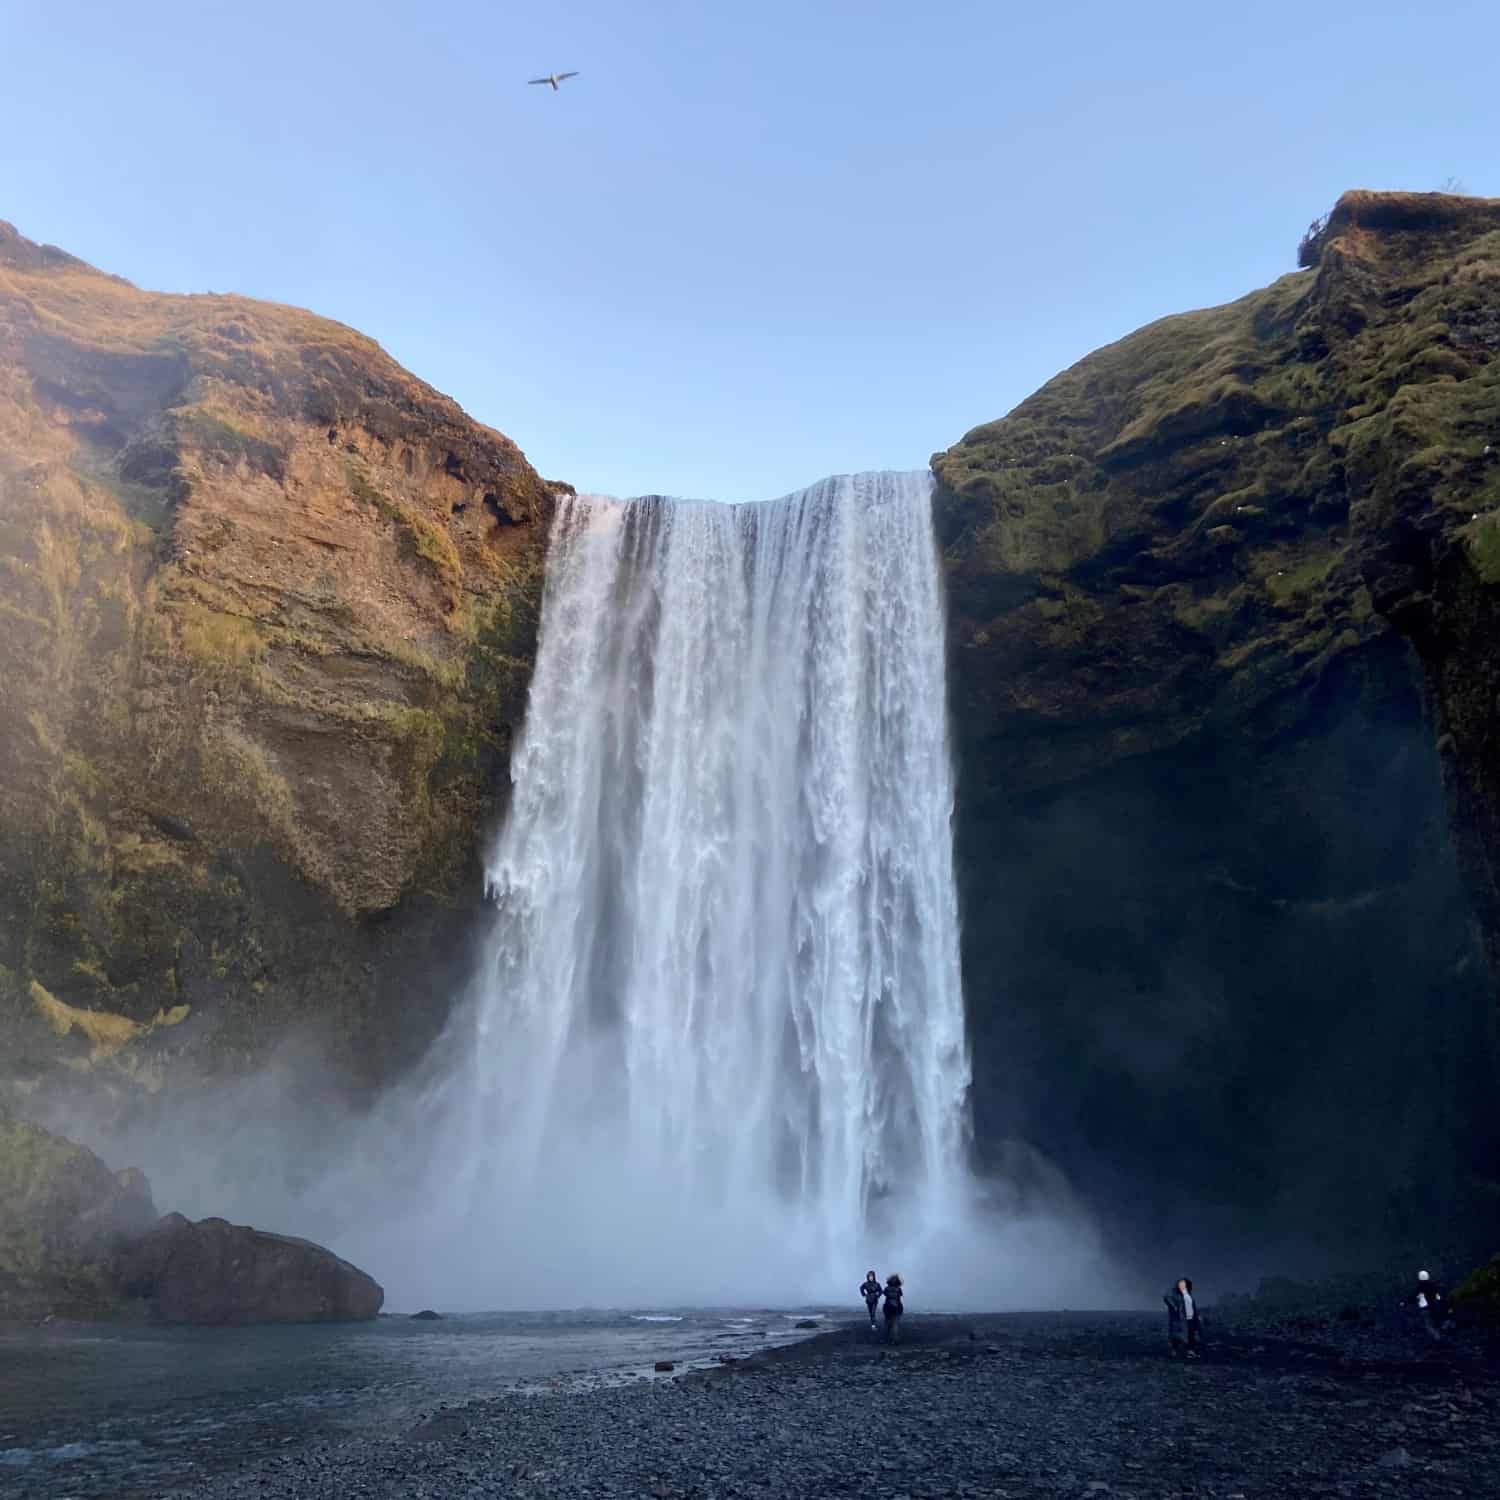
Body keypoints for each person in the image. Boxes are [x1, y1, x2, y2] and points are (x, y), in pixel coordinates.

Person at [1403, 1269, 1446, 1342]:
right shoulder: (1434, 1286)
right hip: (1434, 1307)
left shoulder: (1420, 1288)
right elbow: (1438, 1297)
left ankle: (1438, 1339)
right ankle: (1440, 1335)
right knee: (1436, 1322)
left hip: (1425, 1308)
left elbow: (1413, 1296)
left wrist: (1405, 1303)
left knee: (1428, 1325)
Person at [1164, 1277, 1200, 1358]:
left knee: (1190, 1334)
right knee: (1176, 1335)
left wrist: (1196, 1315)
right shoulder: (1173, 1293)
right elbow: (1166, 1298)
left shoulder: (1186, 1294)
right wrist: (1174, 1307)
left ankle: (1189, 1351)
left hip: (1187, 1318)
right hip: (1178, 1319)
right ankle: (1175, 1351)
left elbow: (1191, 1304)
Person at [882, 1273, 904, 1343]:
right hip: (897, 1308)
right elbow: (900, 1296)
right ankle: (895, 1340)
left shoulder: (886, 1289)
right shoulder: (899, 1289)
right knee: (895, 1324)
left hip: (887, 1308)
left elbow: (884, 1294)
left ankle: (887, 1339)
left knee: (887, 1324)